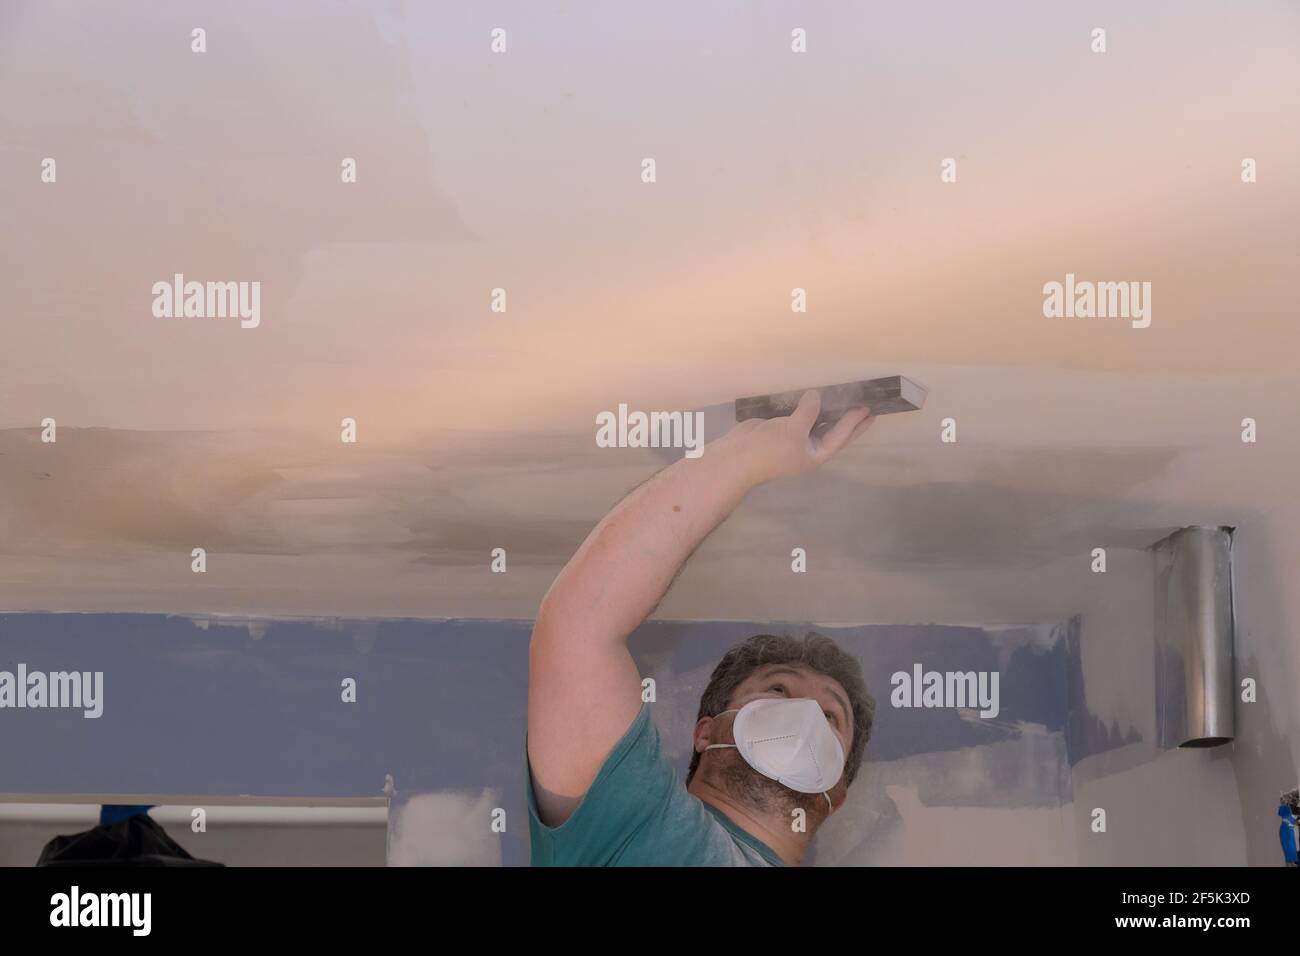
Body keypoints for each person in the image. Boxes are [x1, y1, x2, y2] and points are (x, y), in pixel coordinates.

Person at [526, 390, 877, 866]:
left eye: (832, 718)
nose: (805, 716)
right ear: (708, 733)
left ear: (838, 790)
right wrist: (742, 461)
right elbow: (577, 631)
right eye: (777, 691)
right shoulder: (631, 826)